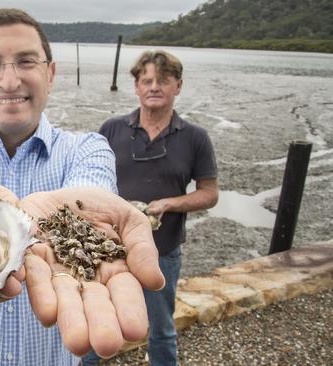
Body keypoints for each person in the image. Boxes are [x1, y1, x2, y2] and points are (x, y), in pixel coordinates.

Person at [0, 9, 165, 366]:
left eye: (26, 61)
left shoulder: (87, 148)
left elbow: (91, 191)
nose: (9, 81)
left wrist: (80, 224)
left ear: (50, 74)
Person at [82, 50, 219, 366]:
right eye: (147, 80)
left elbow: (209, 194)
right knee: (97, 318)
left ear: (178, 86)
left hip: (163, 251)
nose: (154, 87)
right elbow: (89, 181)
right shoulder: (112, 129)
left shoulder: (196, 138)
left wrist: (170, 203)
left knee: (162, 330)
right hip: (109, 248)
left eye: (163, 80)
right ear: (137, 87)